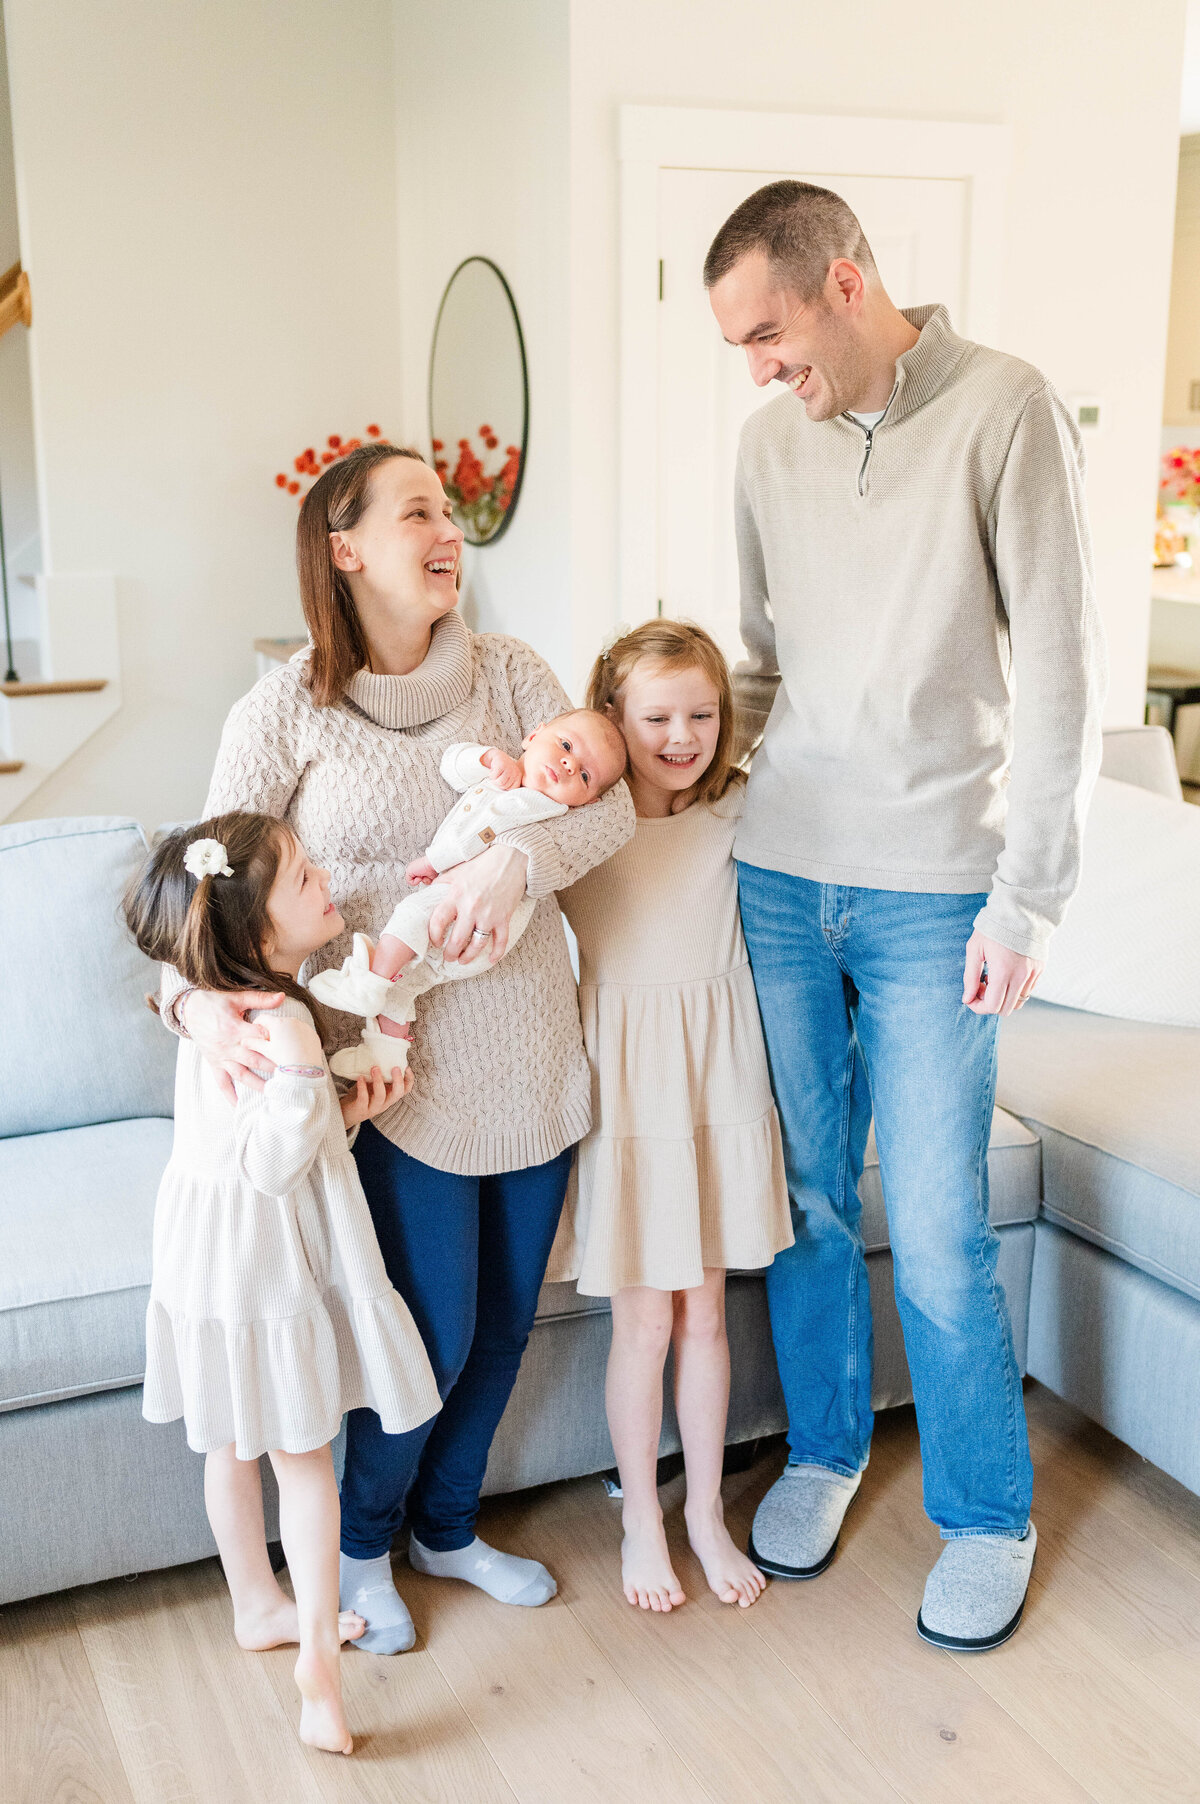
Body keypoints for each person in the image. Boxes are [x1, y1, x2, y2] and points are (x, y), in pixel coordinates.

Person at [704, 180, 1106, 1651]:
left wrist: (1032, 897)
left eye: (770, 332)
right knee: (808, 1200)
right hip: (781, 869)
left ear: (847, 284)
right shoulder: (765, 445)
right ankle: (823, 1446)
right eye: (740, 345)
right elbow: (754, 668)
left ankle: (987, 1511)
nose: (758, 368)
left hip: (943, 893)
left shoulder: (1006, 409)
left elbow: (1062, 676)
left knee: (936, 1227)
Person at [160, 441, 634, 1656]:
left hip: (530, 1053)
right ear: (345, 545)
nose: (448, 531)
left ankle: (450, 1526)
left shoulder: (515, 674)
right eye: (418, 510)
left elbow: (614, 803)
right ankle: (364, 1545)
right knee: (432, 1329)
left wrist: (516, 857)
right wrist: (193, 1006)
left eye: (452, 512)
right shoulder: (283, 711)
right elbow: (198, 897)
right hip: (392, 1079)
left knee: (514, 1325)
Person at [126, 814, 442, 1755]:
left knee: (229, 1441)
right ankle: (317, 1663)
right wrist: (317, 1080)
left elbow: (255, 1138)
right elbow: (271, 1165)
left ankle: (254, 1603)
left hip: (199, 1247)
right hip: (263, 1250)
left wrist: (339, 1107)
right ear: (260, 934)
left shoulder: (213, 996)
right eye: (305, 877)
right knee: (305, 1458)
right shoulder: (288, 1017)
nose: (327, 880)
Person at [547, 620, 792, 1614]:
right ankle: (640, 1515)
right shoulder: (578, 826)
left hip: (716, 1077)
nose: (681, 734)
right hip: (631, 1087)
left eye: (700, 713)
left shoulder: (739, 810)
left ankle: (701, 1512)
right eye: (656, 716)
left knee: (704, 1311)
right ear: (613, 717)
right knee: (644, 1316)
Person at [310, 712, 628, 1069]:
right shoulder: (507, 776)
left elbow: (482, 833)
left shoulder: (541, 804)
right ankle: (385, 1061)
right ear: (534, 735)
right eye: (566, 745)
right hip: (468, 929)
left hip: (476, 920)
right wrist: (486, 758)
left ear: (587, 802)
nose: (569, 764)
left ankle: (366, 984)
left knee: (409, 915)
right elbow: (451, 767)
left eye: (585, 776)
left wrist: (433, 861)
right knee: (405, 987)